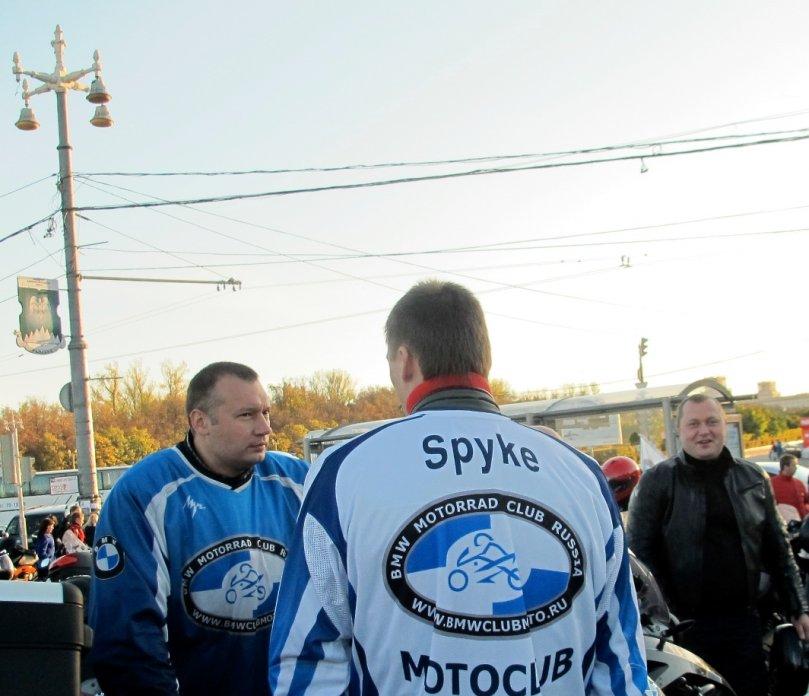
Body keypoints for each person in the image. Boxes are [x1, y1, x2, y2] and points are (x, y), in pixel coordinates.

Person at [270, 281, 650, 695]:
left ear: (404, 361)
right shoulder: (580, 474)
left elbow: (305, 659)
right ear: (485, 359)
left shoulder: (344, 471)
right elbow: (620, 662)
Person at [89, 361, 308, 696]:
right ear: (200, 422)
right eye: (247, 415)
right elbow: (127, 639)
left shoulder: (301, 481)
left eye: (266, 412)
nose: (265, 428)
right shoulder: (144, 493)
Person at [628, 394, 809, 696]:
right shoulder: (656, 481)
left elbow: (778, 549)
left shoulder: (753, 477)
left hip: (744, 624)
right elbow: (639, 558)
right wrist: (662, 622)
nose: (704, 431)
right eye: (694, 424)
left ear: (724, 425)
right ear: (679, 431)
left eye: (712, 422)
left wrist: (798, 607)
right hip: (684, 631)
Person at [771, 454, 809, 519]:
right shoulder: (772, 483)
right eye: (794, 465)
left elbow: (806, 500)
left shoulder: (799, 483)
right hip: (786, 523)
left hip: (804, 522)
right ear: (786, 467)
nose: (796, 468)